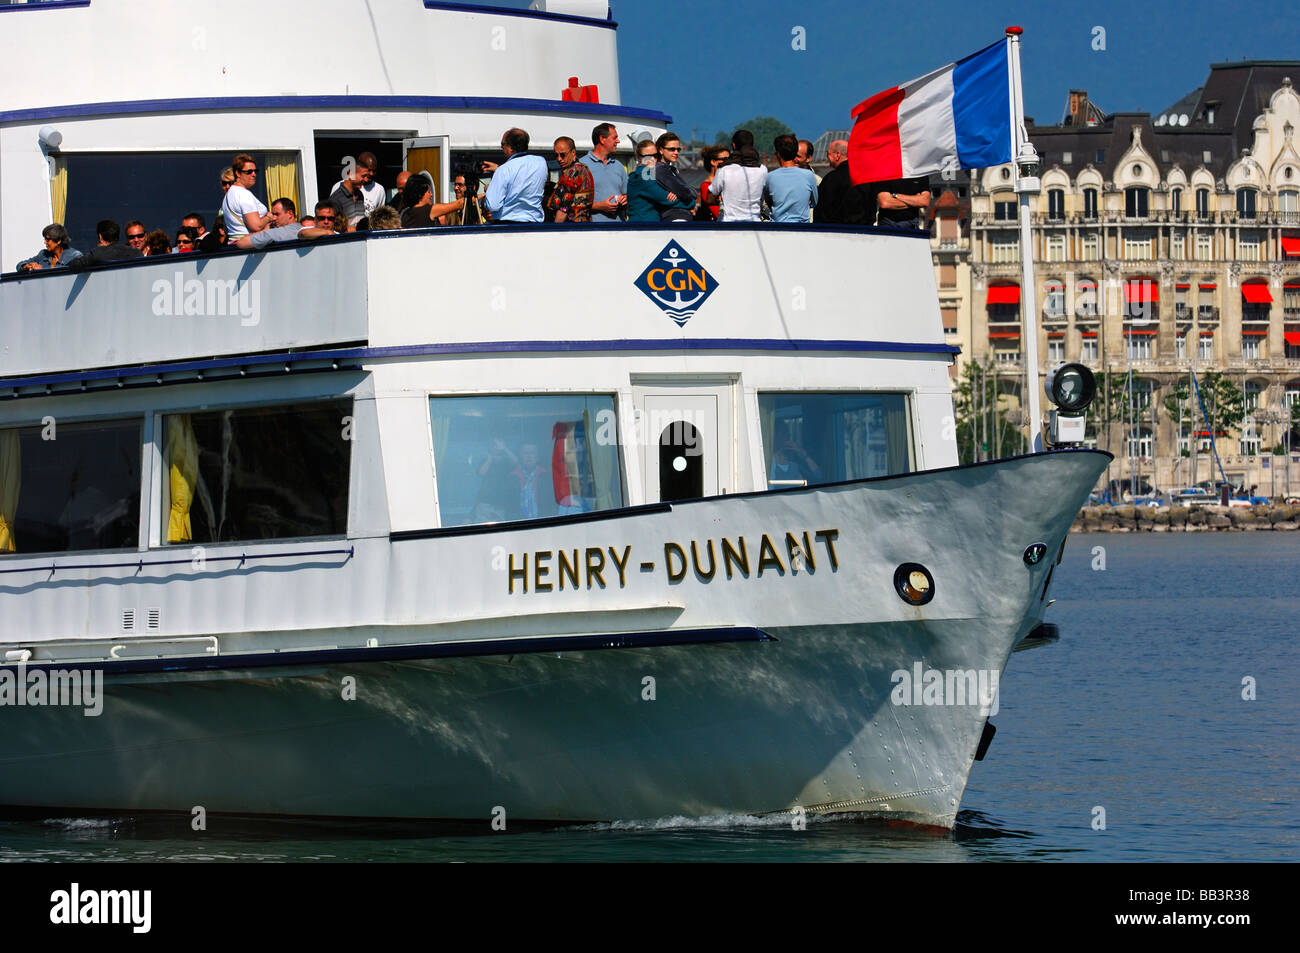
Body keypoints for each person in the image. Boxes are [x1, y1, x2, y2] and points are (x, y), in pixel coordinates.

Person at [482, 127, 548, 224]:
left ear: (511, 148)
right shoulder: (541, 163)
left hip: (508, 227)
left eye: (502, 144)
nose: (501, 148)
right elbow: (522, 174)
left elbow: (493, 205)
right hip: (535, 226)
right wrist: (498, 168)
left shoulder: (503, 170)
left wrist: (489, 191)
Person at [626, 140, 693, 222]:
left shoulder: (639, 174)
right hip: (644, 225)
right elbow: (665, 199)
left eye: (655, 155)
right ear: (639, 157)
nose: (652, 159)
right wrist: (691, 203)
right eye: (647, 156)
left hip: (643, 224)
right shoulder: (644, 175)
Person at [709, 130, 767, 222]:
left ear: (734, 145)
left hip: (729, 225)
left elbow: (710, 197)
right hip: (754, 225)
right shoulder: (762, 170)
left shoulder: (724, 169)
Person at [235, 196, 334, 248]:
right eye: (272, 214)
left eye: (277, 214)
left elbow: (242, 243)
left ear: (290, 214)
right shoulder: (305, 228)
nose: (273, 218)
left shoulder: (282, 232)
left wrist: (264, 231)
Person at [764, 134, 818, 223]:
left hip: (778, 227)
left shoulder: (770, 177)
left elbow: (768, 202)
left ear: (778, 154)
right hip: (802, 227)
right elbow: (814, 202)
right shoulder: (809, 175)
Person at [815, 139, 871, 225]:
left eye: (828, 154)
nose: (827, 158)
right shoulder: (866, 177)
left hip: (836, 231)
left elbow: (821, 211)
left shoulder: (831, 178)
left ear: (837, 155)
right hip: (864, 231)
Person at [579, 122, 627, 222]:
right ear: (602, 139)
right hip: (593, 230)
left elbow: (626, 193)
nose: (618, 141)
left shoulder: (618, 165)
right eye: (615, 138)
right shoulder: (581, 165)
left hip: (620, 228)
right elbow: (573, 202)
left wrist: (625, 199)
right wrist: (600, 206)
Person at [221, 153, 270, 242]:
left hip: (235, 244)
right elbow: (256, 226)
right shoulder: (243, 194)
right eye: (249, 172)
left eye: (255, 171)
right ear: (238, 173)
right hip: (249, 246)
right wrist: (269, 217)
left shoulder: (230, 194)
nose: (254, 174)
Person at [329, 152, 384, 227]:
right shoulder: (335, 199)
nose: (365, 179)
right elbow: (334, 228)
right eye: (363, 176)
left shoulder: (360, 195)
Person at [546, 136, 595, 223]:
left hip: (571, 228)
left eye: (562, 155)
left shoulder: (572, 172)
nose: (559, 159)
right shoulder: (583, 168)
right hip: (585, 225)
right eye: (556, 155)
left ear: (573, 152)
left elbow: (563, 210)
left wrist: (554, 231)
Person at [474, 435, 520, 522]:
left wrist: (505, 449)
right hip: (485, 503)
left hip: (500, 504)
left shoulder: (506, 461)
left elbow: (517, 462)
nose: (496, 446)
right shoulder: (485, 460)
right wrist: (489, 458)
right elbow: (481, 473)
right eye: (493, 444)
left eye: (498, 444)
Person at [653, 132, 697, 222]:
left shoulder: (671, 170)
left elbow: (693, 193)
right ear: (661, 150)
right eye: (672, 149)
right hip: (673, 217)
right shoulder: (660, 170)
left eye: (678, 149)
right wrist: (691, 202)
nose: (676, 152)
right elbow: (687, 194)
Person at [66, 219, 142, 270]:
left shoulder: (98, 253)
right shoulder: (136, 252)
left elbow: (73, 266)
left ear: (100, 237)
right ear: (118, 236)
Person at [15, 223, 82, 271]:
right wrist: (27, 266)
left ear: (58, 240)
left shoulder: (74, 256)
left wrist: (41, 270)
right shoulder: (43, 254)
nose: (45, 242)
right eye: (45, 239)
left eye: (48, 240)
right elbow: (19, 265)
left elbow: (63, 279)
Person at [510, 444, 550, 519]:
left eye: (532, 453)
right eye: (525, 453)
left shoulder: (546, 477)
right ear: (520, 457)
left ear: (537, 457)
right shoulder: (511, 478)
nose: (529, 456)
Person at [697, 145, 729, 221]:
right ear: (713, 162)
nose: (729, 162)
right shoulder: (706, 186)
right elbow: (716, 212)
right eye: (725, 159)